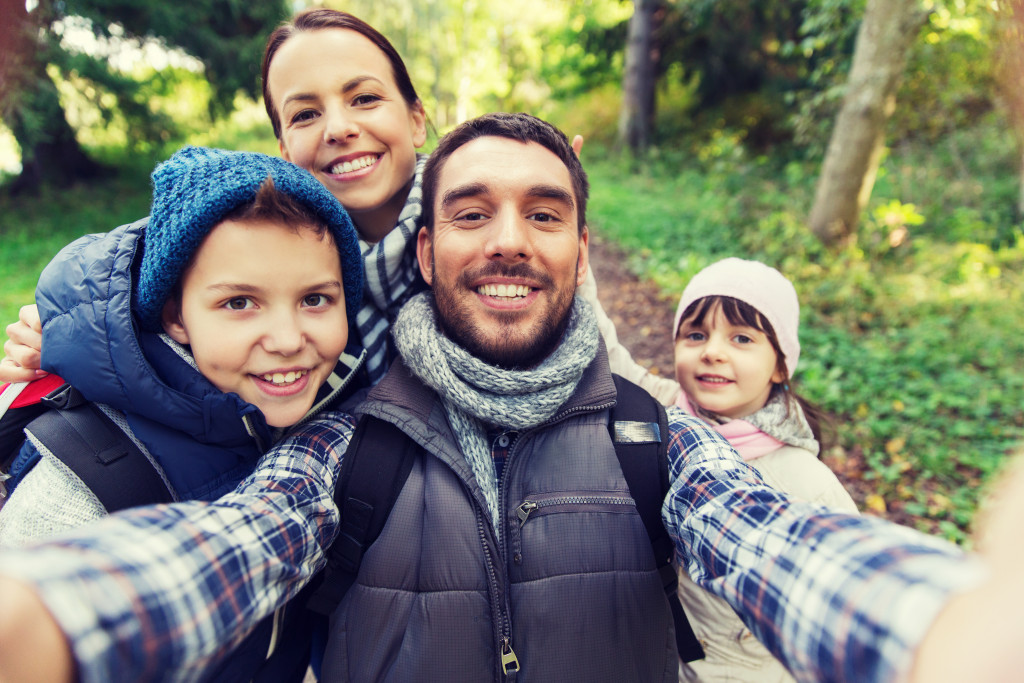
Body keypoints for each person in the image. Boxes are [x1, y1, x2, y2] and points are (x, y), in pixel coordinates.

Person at [0, 114, 987, 683]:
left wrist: (941, 623)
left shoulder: (658, 438)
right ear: (425, 253)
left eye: (543, 212)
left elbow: (770, 538)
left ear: (580, 253)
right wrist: (49, 612)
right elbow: (231, 545)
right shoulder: (343, 443)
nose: (508, 238)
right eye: (470, 212)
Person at [0, 8, 675, 402]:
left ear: (416, 120)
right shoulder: (256, 237)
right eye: (305, 112)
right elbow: (151, 260)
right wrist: (60, 327)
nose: (338, 127)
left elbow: (603, 363)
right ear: (282, 145)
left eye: (363, 98)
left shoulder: (477, 236)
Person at [0, 145, 365, 681]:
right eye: (239, 303)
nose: (289, 341)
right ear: (175, 316)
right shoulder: (79, 481)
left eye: (315, 299)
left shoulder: (300, 403)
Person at [668, 257, 858, 682]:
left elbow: (842, 616)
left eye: (741, 338)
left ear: (779, 366)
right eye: (696, 334)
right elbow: (615, 358)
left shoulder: (807, 484)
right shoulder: (665, 422)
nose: (713, 352)